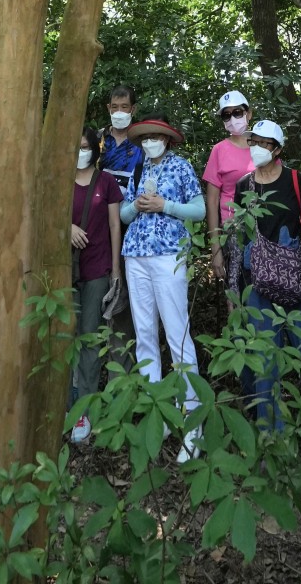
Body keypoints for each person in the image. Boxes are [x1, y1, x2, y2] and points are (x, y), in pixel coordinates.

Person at [228, 119, 301, 435]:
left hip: (299, 281)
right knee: (266, 363)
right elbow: (237, 238)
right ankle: (272, 440)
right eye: (253, 141)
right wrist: (233, 287)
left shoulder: (295, 181)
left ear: (277, 149)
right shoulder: (244, 186)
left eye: (264, 143)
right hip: (258, 283)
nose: (257, 148)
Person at [120, 112, 206, 461]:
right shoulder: (139, 169)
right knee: (144, 335)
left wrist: (165, 205)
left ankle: (192, 418)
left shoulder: (181, 167)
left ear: (167, 139)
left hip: (169, 256)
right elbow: (123, 214)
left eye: (156, 136)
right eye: (144, 137)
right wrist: (137, 206)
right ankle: (158, 415)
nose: (149, 142)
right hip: (135, 257)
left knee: (177, 335)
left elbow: (199, 210)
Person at [70, 126, 123, 443]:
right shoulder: (60, 182)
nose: (81, 152)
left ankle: (83, 412)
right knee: (63, 339)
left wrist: (116, 269)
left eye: (85, 146)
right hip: (64, 272)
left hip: (98, 268)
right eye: (76, 147)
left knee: (89, 339)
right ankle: (63, 405)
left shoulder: (107, 182)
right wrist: (67, 228)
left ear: (95, 149)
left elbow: (115, 225)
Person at [98, 85, 141, 370]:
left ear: (133, 109)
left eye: (125, 107)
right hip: (98, 225)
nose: (119, 112)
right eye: (115, 107)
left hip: (132, 226)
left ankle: (129, 366)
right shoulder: (99, 140)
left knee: (127, 294)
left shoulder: (142, 140)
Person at [204, 90, 255, 283]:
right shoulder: (219, 150)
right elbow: (212, 201)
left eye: (237, 112)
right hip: (233, 230)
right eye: (227, 114)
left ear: (248, 113)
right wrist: (216, 249)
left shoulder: (263, 145)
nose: (233, 118)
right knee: (236, 286)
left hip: (264, 227)